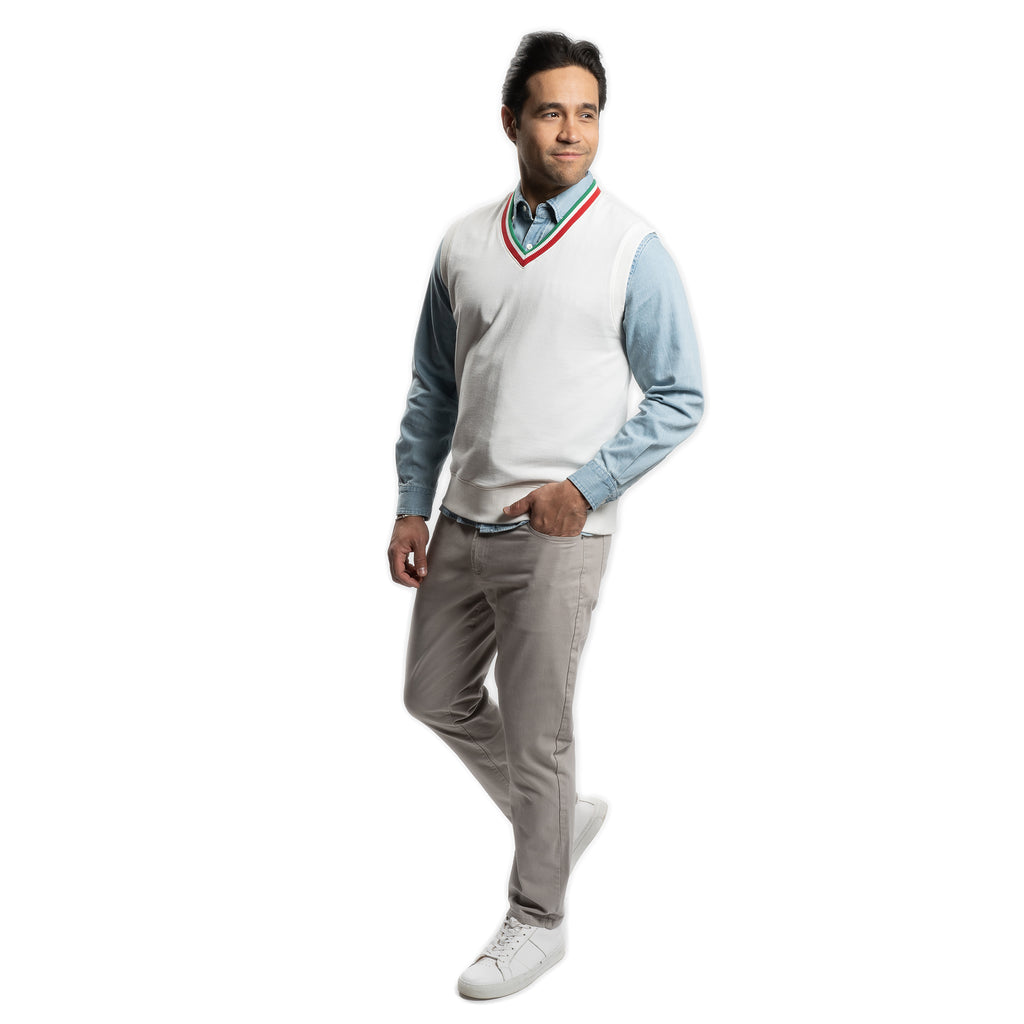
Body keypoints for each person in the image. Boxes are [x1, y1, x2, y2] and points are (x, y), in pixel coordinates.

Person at [388, 31, 704, 999]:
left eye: (587, 113)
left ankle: (539, 916)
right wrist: (410, 503)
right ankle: (557, 818)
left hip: (557, 535)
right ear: (510, 120)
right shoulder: (462, 242)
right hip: (460, 521)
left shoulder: (631, 247)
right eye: (551, 111)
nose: (572, 131)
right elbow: (433, 386)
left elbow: (680, 394)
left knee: (538, 736)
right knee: (432, 694)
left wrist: (585, 488)